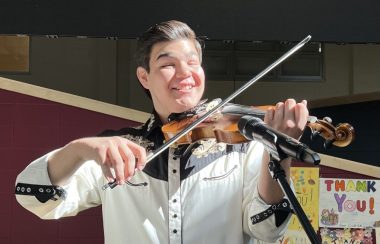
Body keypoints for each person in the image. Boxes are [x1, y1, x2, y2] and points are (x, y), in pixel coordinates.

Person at [15, 20, 309, 244]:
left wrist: (279, 151)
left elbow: (267, 229)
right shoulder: (117, 151)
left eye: (193, 63)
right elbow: (34, 198)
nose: (185, 74)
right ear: (144, 77)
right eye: (168, 64)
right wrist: (79, 149)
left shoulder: (244, 144)